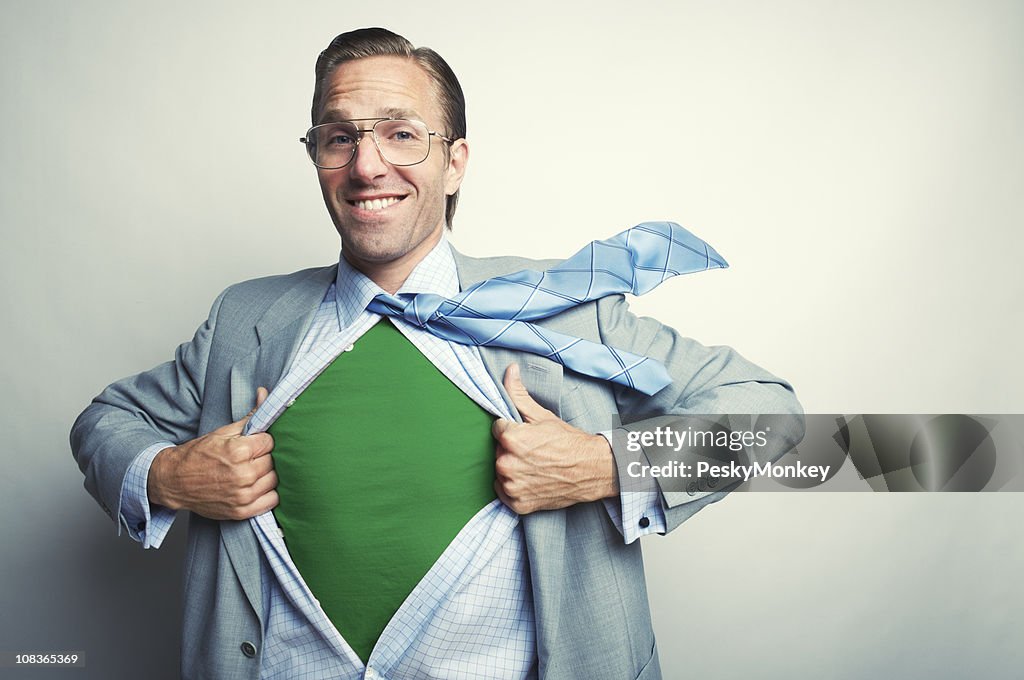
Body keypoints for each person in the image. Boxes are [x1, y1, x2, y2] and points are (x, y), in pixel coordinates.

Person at [71, 27, 802, 680]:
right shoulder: (246, 317)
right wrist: (167, 473)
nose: (366, 166)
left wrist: (605, 466)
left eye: (400, 134)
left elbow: (782, 425)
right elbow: (106, 421)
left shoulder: (570, 314)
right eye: (338, 138)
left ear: (454, 164)